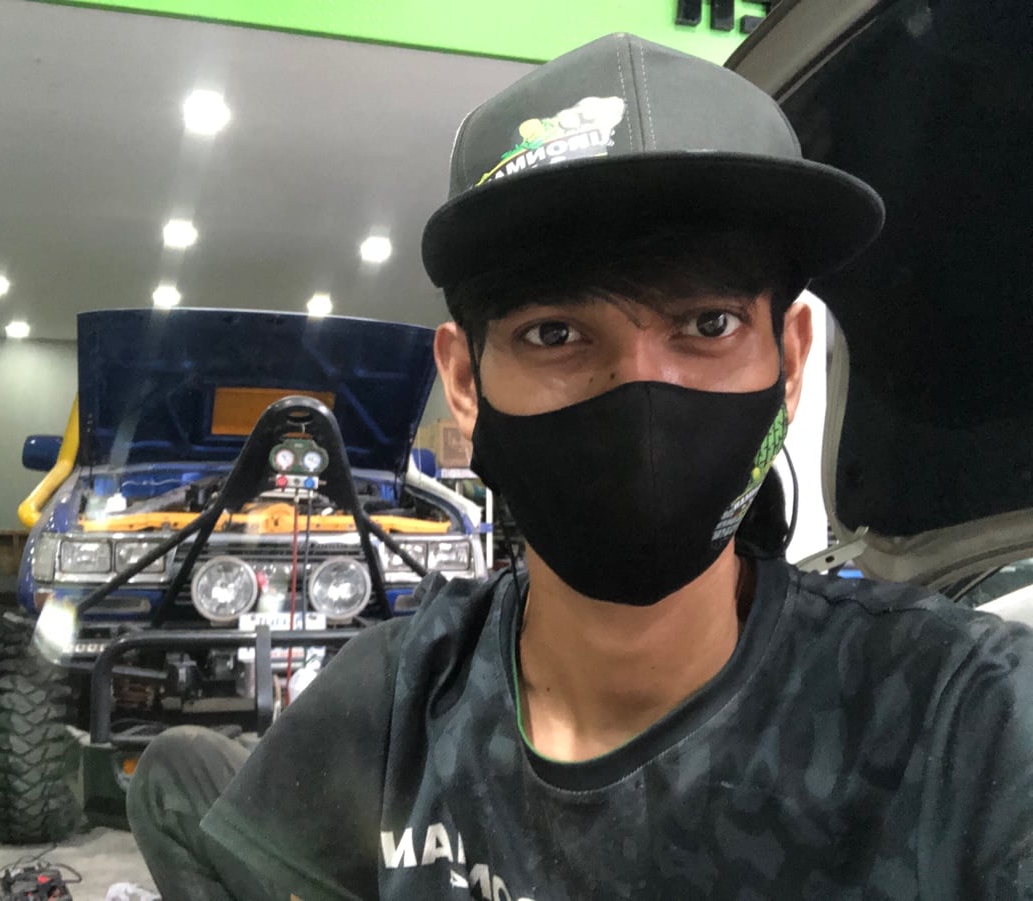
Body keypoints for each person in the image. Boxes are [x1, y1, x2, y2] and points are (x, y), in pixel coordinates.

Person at [127, 33, 1033, 900]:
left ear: (790, 361)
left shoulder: (965, 720)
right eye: (555, 333)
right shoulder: (392, 711)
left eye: (708, 324)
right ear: (465, 381)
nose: (642, 395)